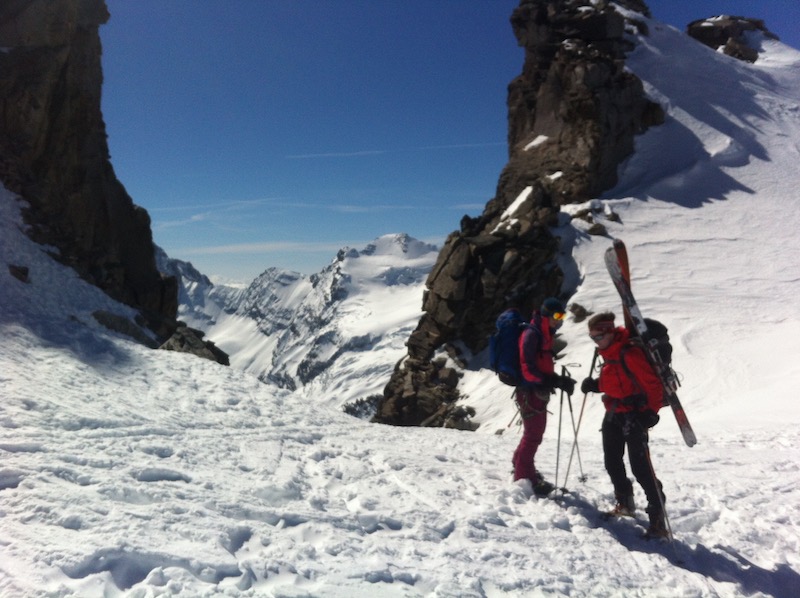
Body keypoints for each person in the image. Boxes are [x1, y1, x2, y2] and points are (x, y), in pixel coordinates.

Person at [580, 312, 668, 537]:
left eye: (598, 336)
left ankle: (658, 520)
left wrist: (651, 413)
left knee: (641, 469)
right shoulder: (609, 354)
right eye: (592, 338)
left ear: (609, 332)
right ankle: (625, 502)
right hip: (614, 412)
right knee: (612, 461)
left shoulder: (629, 352)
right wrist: (597, 385)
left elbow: (652, 384)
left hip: (635, 415)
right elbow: (617, 381)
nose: (596, 342)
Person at [512, 297, 576, 496]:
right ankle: (524, 477)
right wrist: (550, 381)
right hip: (530, 392)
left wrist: (555, 380)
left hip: (536, 391)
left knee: (532, 434)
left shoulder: (543, 334)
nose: (560, 320)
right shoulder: (532, 334)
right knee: (533, 436)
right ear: (546, 315)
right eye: (557, 315)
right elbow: (527, 368)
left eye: (562, 316)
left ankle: (520, 465)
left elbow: (539, 365)